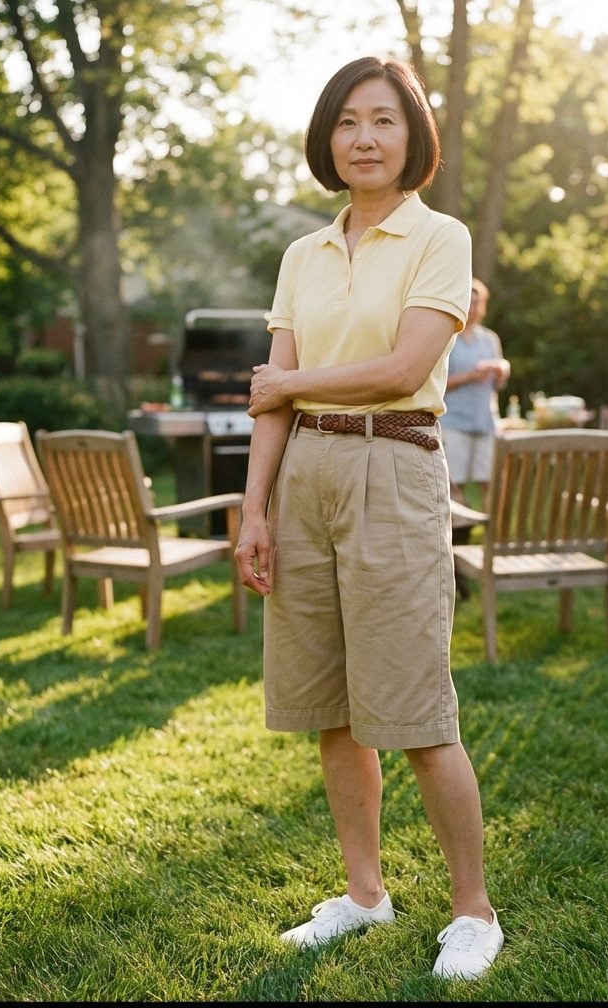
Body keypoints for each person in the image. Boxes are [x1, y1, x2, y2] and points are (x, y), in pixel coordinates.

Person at [233, 57, 503, 981]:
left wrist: (290, 382)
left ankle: (473, 912)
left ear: (412, 134)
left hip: (395, 463)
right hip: (303, 472)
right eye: (348, 121)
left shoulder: (440, 237)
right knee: (332, 710)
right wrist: (254, 510)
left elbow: (401, 367)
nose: (365, 138)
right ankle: (364, 894)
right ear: (328, 138)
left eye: (384, 119)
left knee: (418, 713)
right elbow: (273, 403)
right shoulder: (302, 255)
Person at [442, 278, 511, 507]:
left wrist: (501, 371)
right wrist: (470, 376)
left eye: (476, 302)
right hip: (454, 422)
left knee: (490, 481)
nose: (472, 307)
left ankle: (493, 528)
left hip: (485, 421)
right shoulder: (447, 338)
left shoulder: (489, 339)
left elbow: (498, 386)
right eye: (468, 302)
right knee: (455, 485)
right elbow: (436, 384)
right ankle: (459, 528)